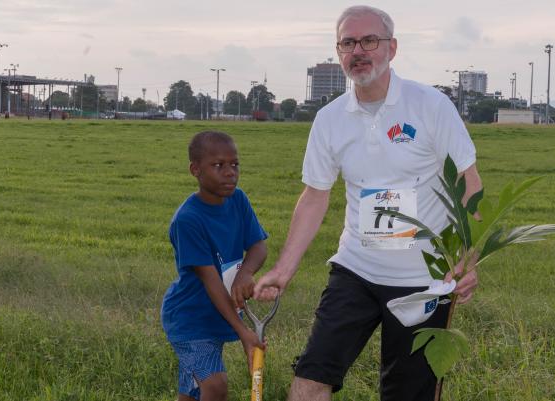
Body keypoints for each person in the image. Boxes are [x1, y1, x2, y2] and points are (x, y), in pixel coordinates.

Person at [253, 5, 482, 401]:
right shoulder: (329, 119)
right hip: (355, 269)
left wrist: (469, 256)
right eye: (348, 43)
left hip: (424, 281)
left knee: (406, 393)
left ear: (391, 48)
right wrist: (283, 269)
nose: (358, 51)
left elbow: (469, 184)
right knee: (309, 381)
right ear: (338, 51)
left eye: (369, 41)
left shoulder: (430, 106)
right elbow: (315, 195)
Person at [162, 131, 268, 401]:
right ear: (195, 170)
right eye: (218, 165)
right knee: (215, 386)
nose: (230, 172)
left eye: (234, 164)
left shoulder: (238, 200)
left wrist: (246, 272)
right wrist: (243, 333)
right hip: (190, 320)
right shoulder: (188, 220)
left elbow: (259, 246)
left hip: (216, 316)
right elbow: (211, 282)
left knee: (192, 392)